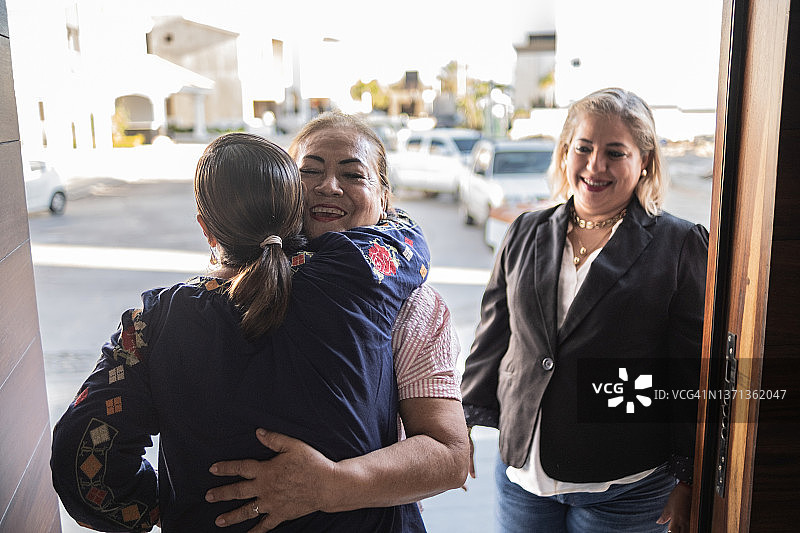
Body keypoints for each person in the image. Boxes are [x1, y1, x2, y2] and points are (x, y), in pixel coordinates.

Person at [51, 132, 438, 532]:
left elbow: (79, 464)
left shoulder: (153, 325)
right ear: (295, 208)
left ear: (206, 228)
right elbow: (410, 244)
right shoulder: (357, 273)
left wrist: (161, 503)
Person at [203, 112, 470, 531]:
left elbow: (450, 455)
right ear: (283, 190)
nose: (329, 186)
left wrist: (329, 485)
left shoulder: (413, 307)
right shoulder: (224, 291)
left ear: (384, 198)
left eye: (353, 175)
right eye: (309, 171)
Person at [460, 88, 708, 533]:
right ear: (565, 152)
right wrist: (467, 420)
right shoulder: (525, 231)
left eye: (616, 153)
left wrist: (689, 473)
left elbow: (689, 367)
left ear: (645, 161)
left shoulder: (680, 243)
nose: (595, 166)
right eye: (584, 148)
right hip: (522, 474)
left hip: (625, 482)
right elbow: (494, 334)